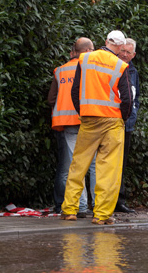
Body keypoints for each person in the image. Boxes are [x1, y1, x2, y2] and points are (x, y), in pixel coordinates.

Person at [60, 30, 133, 225]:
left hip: (89, 119)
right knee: (108, 170)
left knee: (78, 165)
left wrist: (83, 111)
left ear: (106, 41)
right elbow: (127, 98)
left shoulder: (85, 59)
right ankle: (101, 214)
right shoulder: (120, 65)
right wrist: (122, 119)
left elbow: (75, 90)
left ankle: (69, 210)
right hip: (112, 122)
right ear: (120, 47)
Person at [48, 38, 96, 217]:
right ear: (88, 50)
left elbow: (51, 99)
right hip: (89, 120)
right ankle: (98, 206)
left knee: (74, 166)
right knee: (94, 165)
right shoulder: (91, 69)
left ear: (74, 52)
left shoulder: (60, 70)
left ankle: (80, 206)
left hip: (67, 122)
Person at [114, 38, 140, 214]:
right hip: (112, 121)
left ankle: (119, 201)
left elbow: (135, 97)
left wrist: (133, 113)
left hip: (127, 124)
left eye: (128, 52)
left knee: (121, 163)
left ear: (133, 55)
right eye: (122, 50)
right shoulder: (112, 67)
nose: (124, 54)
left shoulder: (133, 72)